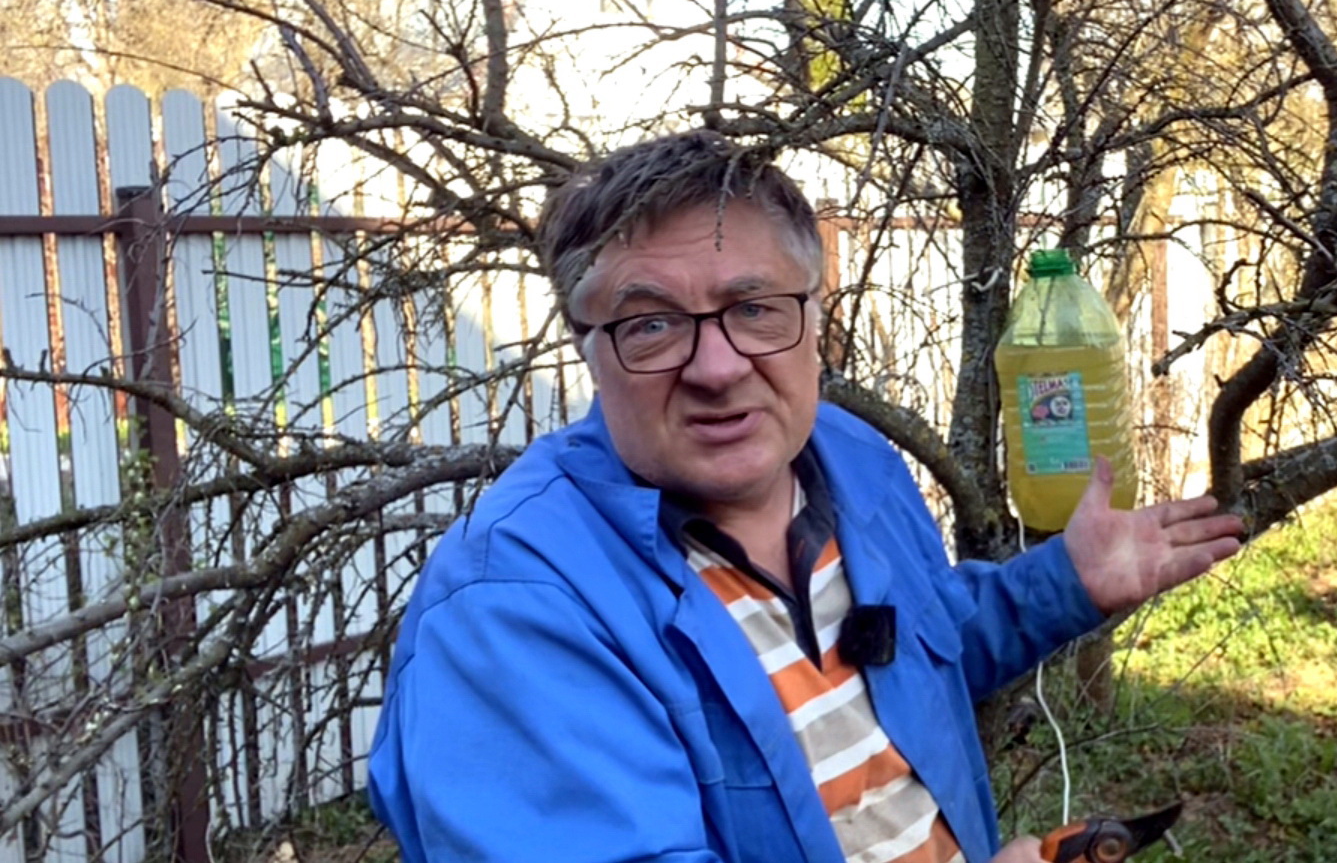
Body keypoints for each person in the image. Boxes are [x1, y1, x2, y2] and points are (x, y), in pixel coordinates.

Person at [367, 130, 1244, 863]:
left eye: (754, 308)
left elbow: (914, 662)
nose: (717, 368)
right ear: (586, 346)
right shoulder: (512, 611)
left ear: (814, 317)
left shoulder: (845, 456)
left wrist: (1062, 583)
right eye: (651, 324)